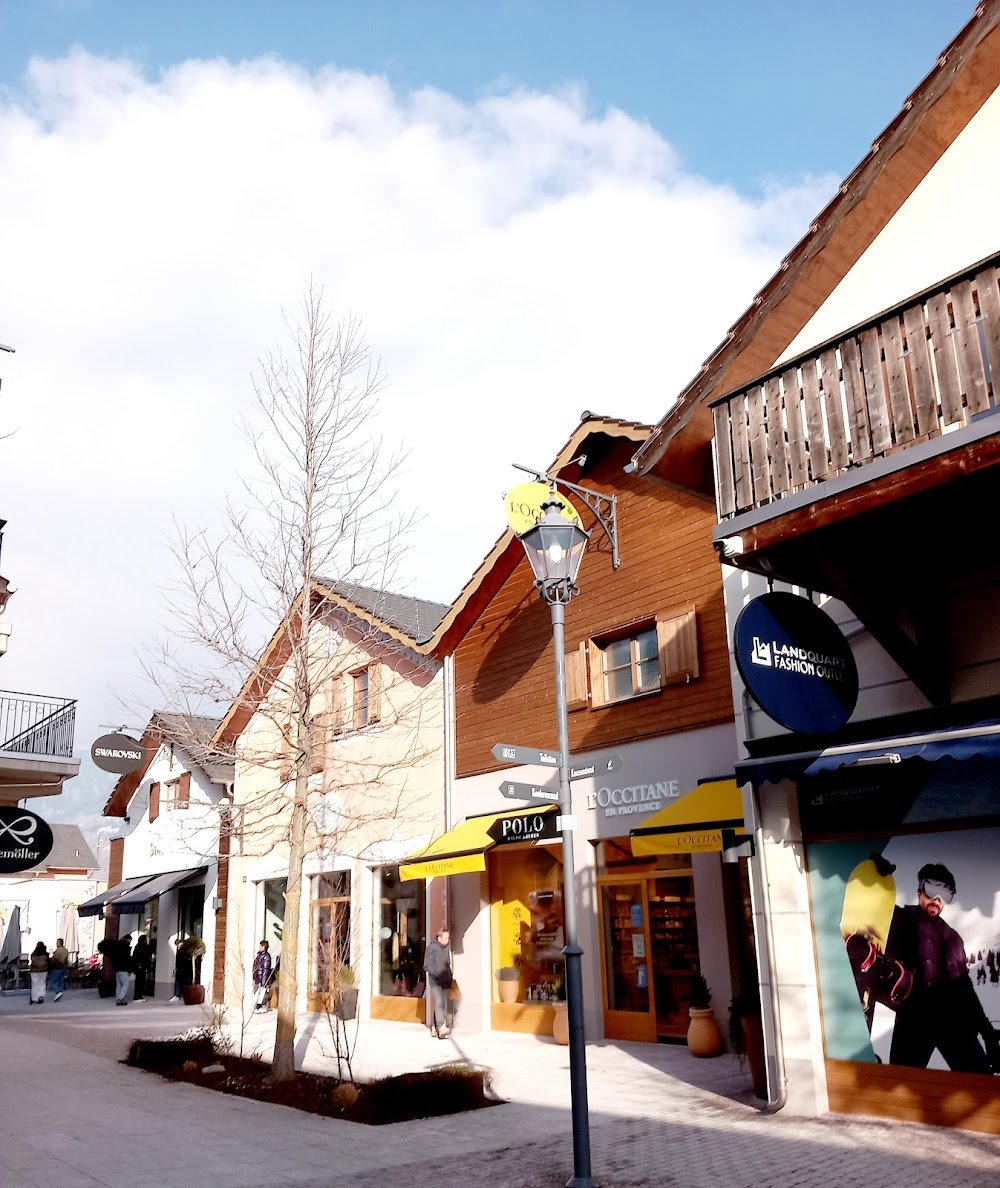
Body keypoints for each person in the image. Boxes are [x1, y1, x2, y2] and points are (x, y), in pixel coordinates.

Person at [886, 862, 1000, 1073]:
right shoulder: (899, 920)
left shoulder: (952, 938)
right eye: (932, 890)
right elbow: (872, 914)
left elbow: (965, 989)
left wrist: (987, 1032)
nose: (937, 900)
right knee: (901, 1083)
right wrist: (876, 882)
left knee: (979, 1079)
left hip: (951, 1023)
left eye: (945, 894)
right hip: (912, 1024)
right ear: (919, 890)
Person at [423, 927, 453, 1039]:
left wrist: (449, 977)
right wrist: (437, 974)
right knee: (439, 1002)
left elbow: (447, 964)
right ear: (439, 937)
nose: (448, 940)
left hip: (445, 981)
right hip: (436, 981)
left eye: (448, 937)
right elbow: (427, 965)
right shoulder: (432, 948)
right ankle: (441, 1027)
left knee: (441, 1004)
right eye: (446, 937)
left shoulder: (445, 949)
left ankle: (435, 1029)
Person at [252, 940, 272, 1012]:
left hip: (261, 978)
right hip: (258, 977)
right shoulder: (260, 955)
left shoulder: (266, 957)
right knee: (256, 993)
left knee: (261, 993)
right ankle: (257, 1006)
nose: (259, 947)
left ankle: (261, 1006)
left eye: (260, 946)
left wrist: (264, 981)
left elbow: (266, 970)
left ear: (264, 947)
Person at [114, 935, 133, 1006]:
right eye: (130, 940)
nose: (130, 942)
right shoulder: (125, 947)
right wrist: (129, 969)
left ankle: (118, 998)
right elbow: (126, 959)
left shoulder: (116, 946)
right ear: (127, 939)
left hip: (117, 968)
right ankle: (120, 998)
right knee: (125, 983)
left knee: (119, 984)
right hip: (123, 968)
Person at [132, 935, 151, 1002]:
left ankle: (138, 996)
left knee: (139, 982)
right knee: (140, 982)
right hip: (141, 967)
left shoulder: (137, 947)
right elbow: (145, 957)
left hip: (140, 967)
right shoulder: (143, 947)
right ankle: (137, 996)